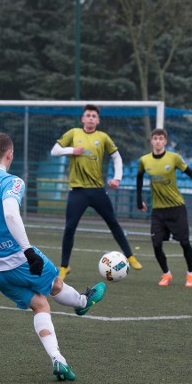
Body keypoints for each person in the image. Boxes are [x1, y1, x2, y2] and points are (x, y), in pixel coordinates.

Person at [0, 132, 106, 381]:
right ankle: (82, 303)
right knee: (56, 285)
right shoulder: (11, 181)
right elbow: (11, 215)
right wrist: (27, 250)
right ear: (10, 155)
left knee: (39, 305)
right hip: (19, 257)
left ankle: (58, 360)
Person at [51, 104, 142, 280]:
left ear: (98, 120)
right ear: (82, 119)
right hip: (77, 191)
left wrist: (117, 178)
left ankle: (130, 255)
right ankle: (64, 266)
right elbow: (54, 151)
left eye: (94, 116)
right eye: (88, 115)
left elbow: (117, 157)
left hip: (97, 190)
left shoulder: (103, 137)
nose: (91, 118)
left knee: (113, 223)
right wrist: (71, 150)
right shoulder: (73, 133)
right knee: (69, 228)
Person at [136, 128, 192, 287]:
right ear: (151, 141)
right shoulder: (144, 160)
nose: (158, 141)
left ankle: (191, 274)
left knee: (184, 243)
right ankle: (166, 274)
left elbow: (189, 172)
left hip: (176, 208)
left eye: (161, 139)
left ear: (165, 141)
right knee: (156, 244)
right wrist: (139, 199)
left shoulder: (174, 158)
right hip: (158, 210)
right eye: (155, 138)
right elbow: (139, 179)